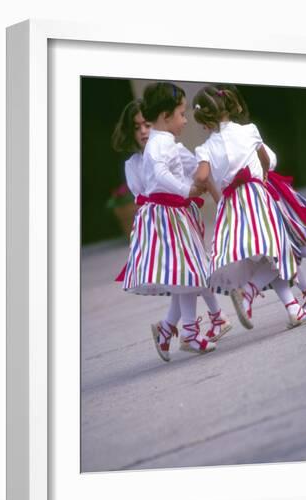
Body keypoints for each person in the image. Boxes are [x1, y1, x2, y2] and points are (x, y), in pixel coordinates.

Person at [119, 83, 230, 361]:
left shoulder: (166, 143)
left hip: (175, 216)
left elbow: (192, 166)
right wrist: (187, 190)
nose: (185, 119)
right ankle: (191, 333)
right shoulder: (159, 145)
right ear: (166, 115)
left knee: (187, 276)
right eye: (182, 113)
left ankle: (172, 329)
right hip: (166, 218)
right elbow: (159, 174)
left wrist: (208, 183)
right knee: (189, 275)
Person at [192, 85, 306, 330]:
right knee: (278, 252)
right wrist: (264, 176)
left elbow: (203, 176)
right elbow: (267, 160)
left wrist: (198, 176)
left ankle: (294, 309)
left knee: (265, 259)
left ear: (204, 118)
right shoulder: (250, 130)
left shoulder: (204, 148)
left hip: (232, 207)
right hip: (257, 198)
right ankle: (249, 292)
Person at [215, 83, 306, 313]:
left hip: (261, 196)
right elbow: (272, 160)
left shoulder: (237, 137)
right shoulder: (248, 132)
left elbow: (261, 163)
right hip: (271, 191)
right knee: (284, 245)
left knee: (280, 248)